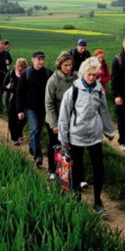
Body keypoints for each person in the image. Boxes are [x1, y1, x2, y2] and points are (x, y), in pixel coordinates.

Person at [58, 57, 115, 217]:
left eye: (95, 75)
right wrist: (64, 138)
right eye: (89, 74)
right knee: (77, 168)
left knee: (99, 167)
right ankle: (76, 198)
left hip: (95, 135)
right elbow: (64, 116)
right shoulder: (73, 91)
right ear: (82, 73)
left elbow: (104, 111)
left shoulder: (99, 90)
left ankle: (98, 202)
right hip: (76, 135)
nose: (92, 78)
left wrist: (109, 131)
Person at [45, 52, 78, 180]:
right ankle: (53, 170)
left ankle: (70, 172)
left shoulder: (76, 78)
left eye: (70, 65)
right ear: (59, 66)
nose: (68, 68)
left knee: (72, 146)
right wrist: (54, 124)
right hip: (56, 117)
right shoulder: (53, 80)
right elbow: (49, 103)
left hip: (72, 118)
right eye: (65, 65)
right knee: (55, 145)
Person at [17, 51, 52, 166]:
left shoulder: (48, 73)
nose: (41, 61)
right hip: (29, 107)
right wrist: (20, 110)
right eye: (38, 59)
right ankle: (38, 156)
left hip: (44, 108)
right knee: (35, 128)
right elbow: (20, 93)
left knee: (38, 130)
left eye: (42, 59)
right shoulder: (26, 74)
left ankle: (33, 147)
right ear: (32, 60)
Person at [3, 58, 29, 145]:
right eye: (19, 69)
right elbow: (3, 86)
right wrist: (7, 86)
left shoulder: (27, 75)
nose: (21, 71)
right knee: (12, 119)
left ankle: (19, 131)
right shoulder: (10, 74)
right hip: (11, 99)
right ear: (16, 66)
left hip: (24, 100)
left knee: (24, 118)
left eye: (23, 69)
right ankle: (14, 138)